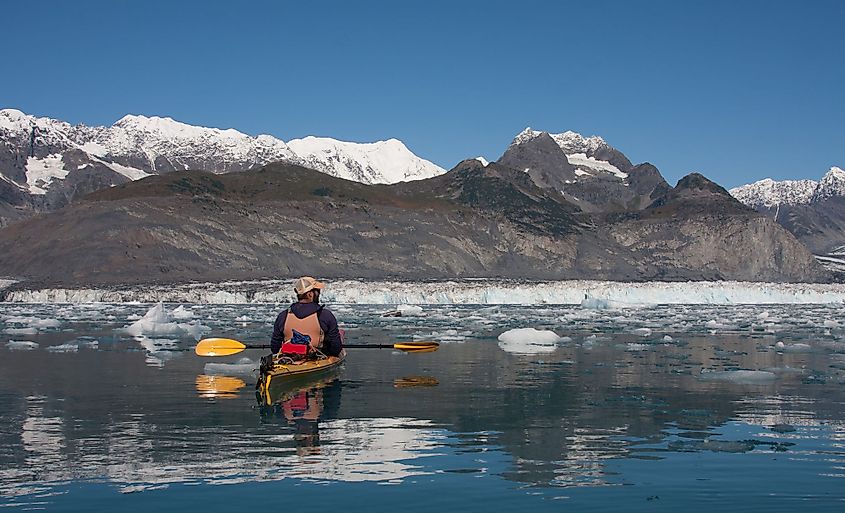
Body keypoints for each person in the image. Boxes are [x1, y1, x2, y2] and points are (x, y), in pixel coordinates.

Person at [270, 276, 343, 357]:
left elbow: (275, 348)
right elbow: (336, 348)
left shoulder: (283, 316)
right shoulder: (325, 315)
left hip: (289, 359)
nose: (319, 293)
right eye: (317, 291)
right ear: (310, 294)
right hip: (317, 358)